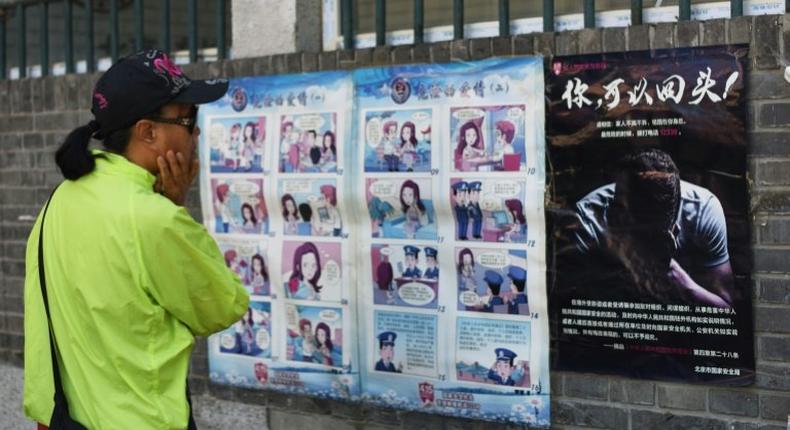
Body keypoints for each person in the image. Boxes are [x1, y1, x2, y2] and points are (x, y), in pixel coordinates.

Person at [24, 49, 248, 429]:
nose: (195, 131)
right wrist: (177, 207)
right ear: (148, 132)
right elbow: (222, 307)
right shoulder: (155, 219)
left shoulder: (59, 201)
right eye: (188, 118)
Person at [571, 149, 734, 307]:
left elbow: (726, 307)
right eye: (635, 237)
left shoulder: (703, 211)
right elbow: (576, 303)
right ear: (616, 215)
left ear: (674, 229)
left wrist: (682, 283)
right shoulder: (588, 219)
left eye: (651, 237)